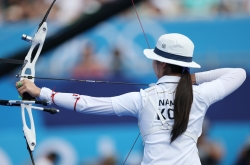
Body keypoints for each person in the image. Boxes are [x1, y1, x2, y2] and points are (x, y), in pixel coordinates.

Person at [16, 33, 246, 165]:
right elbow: (239, 73)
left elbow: (87, 103)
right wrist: (189, 79)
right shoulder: (201, 94)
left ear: (162, 63)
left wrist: (41, 92)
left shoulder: (143, 98)